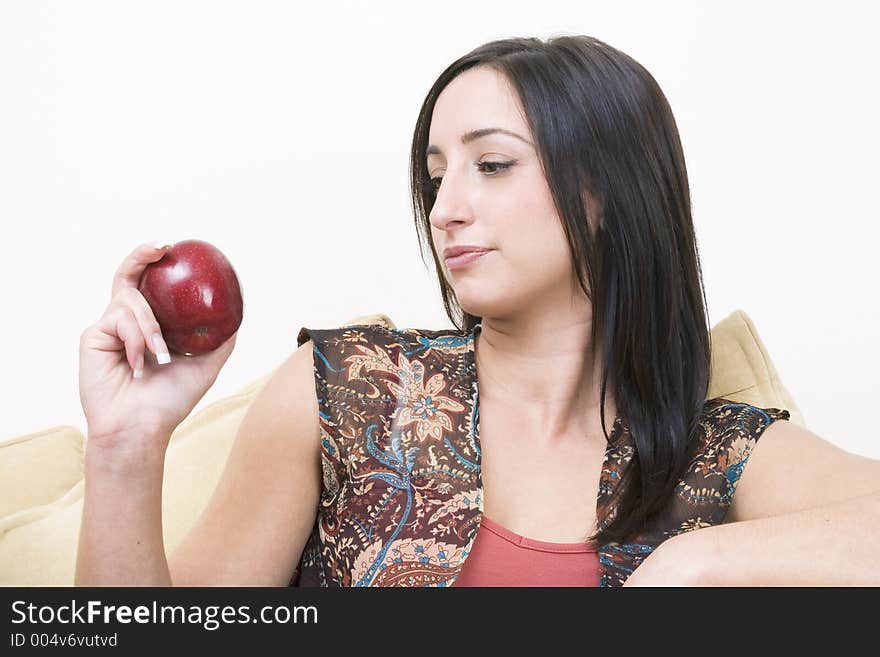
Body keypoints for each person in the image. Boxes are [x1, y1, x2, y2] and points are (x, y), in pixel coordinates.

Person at [75, 35, 880, 588]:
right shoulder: (347, 393)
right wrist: (125, 448)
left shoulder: (715, 452)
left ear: (606, 194)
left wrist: (691, 565)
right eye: (435, 174)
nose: (445, 208)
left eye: (491, 164)